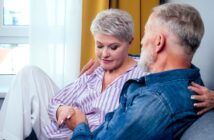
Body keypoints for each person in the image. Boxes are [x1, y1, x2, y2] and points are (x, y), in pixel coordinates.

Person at [65, 3, 206, 140]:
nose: (142, 42)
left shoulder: (154, 104)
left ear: (159, 42)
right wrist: (104, 59)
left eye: (145, 33)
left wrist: (79, 125)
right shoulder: (190, 79)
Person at [0, 9, 145, 140]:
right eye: (99, 46)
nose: (104, 54)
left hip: (87, 135)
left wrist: (81, 128)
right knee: (29, 73)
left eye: (114, 47)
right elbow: (56, 101)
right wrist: (60, 110)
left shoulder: (144, 74)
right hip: (58, 130)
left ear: (130, 41)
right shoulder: (95, 70)